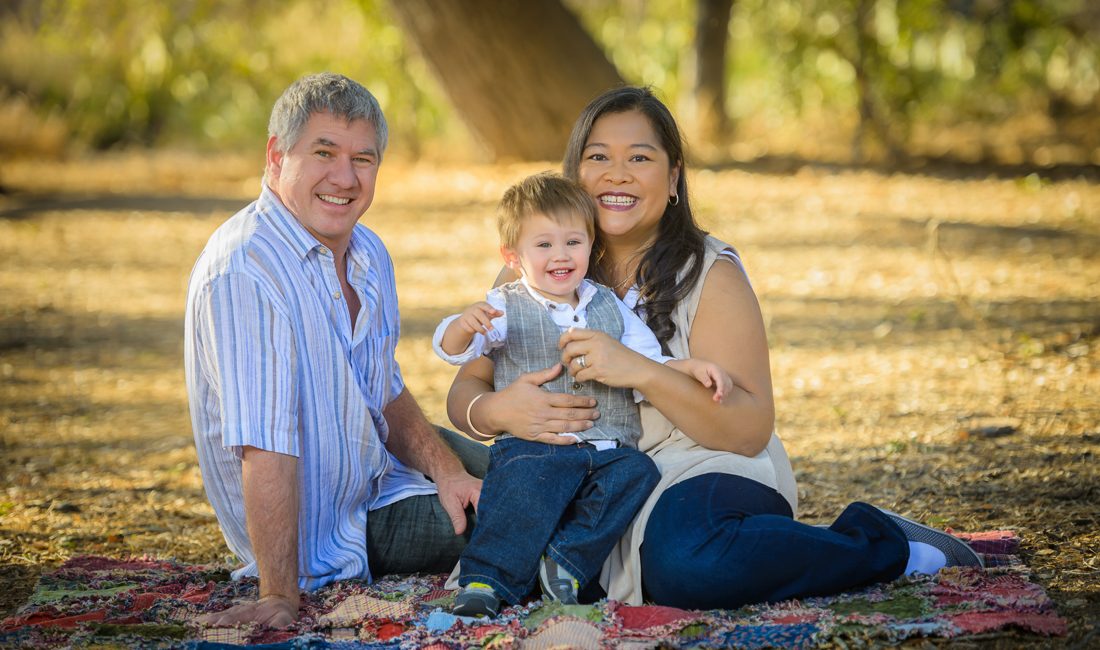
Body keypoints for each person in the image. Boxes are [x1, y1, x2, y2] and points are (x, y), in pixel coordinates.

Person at [446, 86, 983, 610]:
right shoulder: (534, 271)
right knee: (469, 519)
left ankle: (881, 542)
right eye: (598, 157)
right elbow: (464, 392)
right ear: (574, 173)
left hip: (697, 466)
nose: (617, 174)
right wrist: (497, 409)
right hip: (571, 471)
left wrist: (641, 371)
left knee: (688, 563)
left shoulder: (712, 274)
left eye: (641, 157)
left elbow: (748, 429)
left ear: (674, 176)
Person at [184, 72, 488, 627]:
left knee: (540, 470)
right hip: (335, 528)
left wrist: (446, 471)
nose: (345, 178)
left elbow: (383, 391)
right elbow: (264, 444)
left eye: (363, 159)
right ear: (277, 156)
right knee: (521, 519)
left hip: (376, 465)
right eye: (323, 152)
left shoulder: (368, 252)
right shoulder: (246, 271)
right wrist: (279, 593)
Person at [433, 173, 731, 617]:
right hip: (536, 445)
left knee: (638, 473)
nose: (561, 255)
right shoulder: (506, 306)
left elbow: (648, 359)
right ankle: (485, 580)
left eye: (573, 242)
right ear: (512, 256)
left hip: (606, 446)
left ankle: (564, 563)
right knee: (518, 493)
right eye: (544, 245)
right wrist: (462, 327)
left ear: (590, 247)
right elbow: (453, 352)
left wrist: (688, 368)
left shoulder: (608, 305)